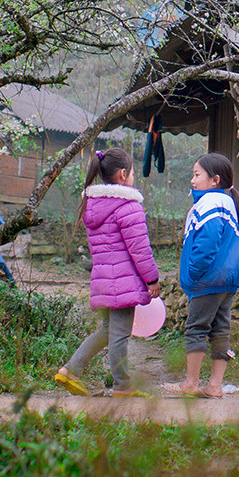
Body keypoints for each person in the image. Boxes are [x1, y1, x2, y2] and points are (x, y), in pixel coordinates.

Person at [55, 149, 161, 397]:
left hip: (103, 280)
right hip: (123, 283)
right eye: (133, 172)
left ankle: (71, 370)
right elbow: (140, 249)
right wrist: (152, 279)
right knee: (119, 336)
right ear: (123, 175)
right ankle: (123, 385)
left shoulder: (93, 206)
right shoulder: (128, 206)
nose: (133, 176)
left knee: (107, 331)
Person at [163, 151, 239, 398]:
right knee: (221, 330)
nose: (192, 180)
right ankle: (214, 386)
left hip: (208, 279)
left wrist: (194, 273)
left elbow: (207, 243)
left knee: (197, 328)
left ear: (215, 180)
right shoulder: (226, 202)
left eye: (197, 174)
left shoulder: (209, 203)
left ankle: (190, 383)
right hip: (227, 280)